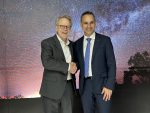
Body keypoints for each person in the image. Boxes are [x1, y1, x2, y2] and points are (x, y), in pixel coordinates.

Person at [74, 11, 116, 113]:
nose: (89, 26)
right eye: (85, 23)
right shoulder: (77, 44)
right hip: (85, 87)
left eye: (91, 22)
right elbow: (77, 64)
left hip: (103, 87)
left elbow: (112, 64)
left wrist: (109, 86)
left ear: (95, 23)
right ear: (81, 24)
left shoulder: (105, 40)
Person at [40, 15, 77, 113]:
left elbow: (76, 63)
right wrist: (68, 66)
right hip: (51, 89)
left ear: (70, 28)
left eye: (67, 26)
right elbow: (47, 62)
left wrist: (75, 66)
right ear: (56, 27)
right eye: (62, 26)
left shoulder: (73, 45)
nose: (65, 29)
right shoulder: (47, 43)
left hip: (69, 87)